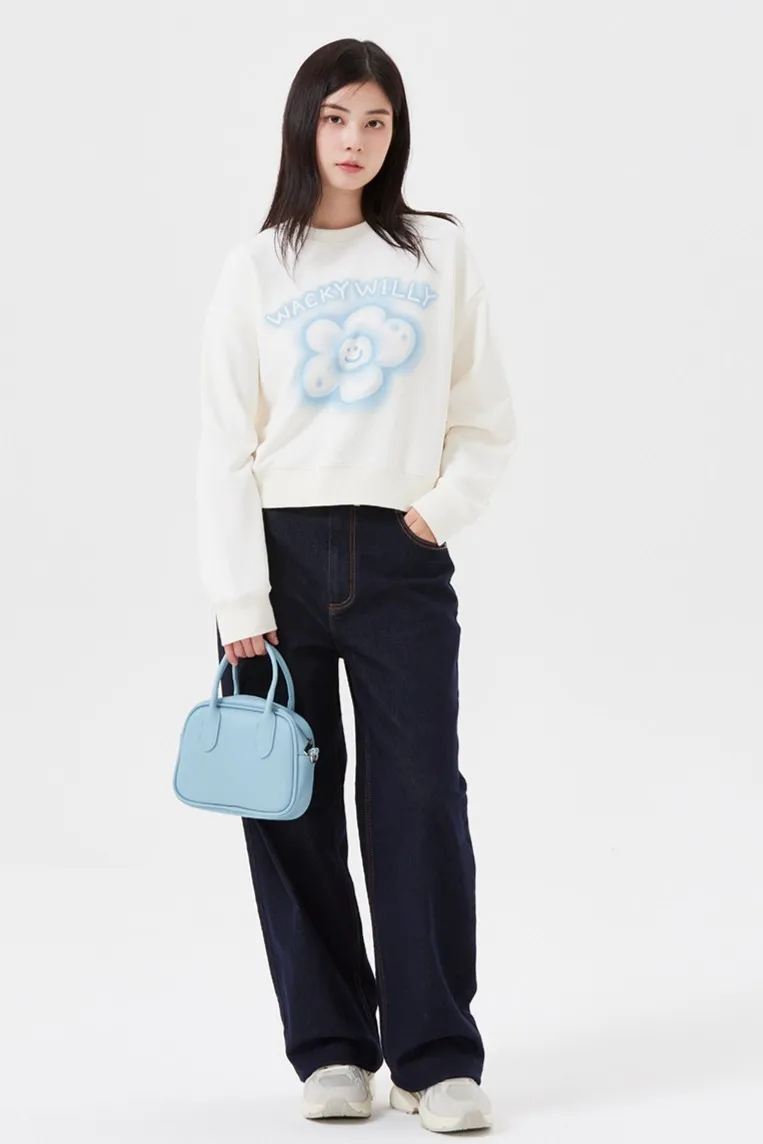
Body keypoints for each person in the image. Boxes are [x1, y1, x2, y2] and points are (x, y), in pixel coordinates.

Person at [195, 37, 517, 1134]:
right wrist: (240, 600)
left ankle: (434, 1054)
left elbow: (483, 414)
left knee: (419, 797)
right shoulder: (257, 268)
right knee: (287, 804)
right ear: (304, 125)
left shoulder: (436, 253)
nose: (355, 140)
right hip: (275, 559)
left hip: (398, 556)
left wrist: (436, 512)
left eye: (375, 121)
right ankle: (331, 1048)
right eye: (336, 118)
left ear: (396, 134)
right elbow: (221, 444)